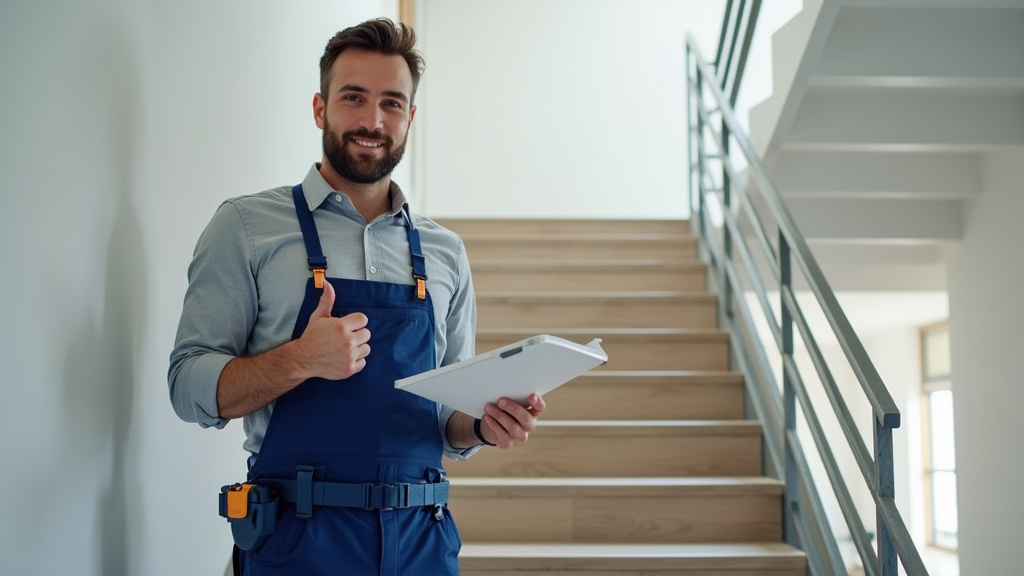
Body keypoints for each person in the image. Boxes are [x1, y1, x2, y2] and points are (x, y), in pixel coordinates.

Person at [168, 17, 545, 575]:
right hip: (296, 541)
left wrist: (485, 424)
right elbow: (187, 386)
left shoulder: (445, 253)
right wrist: (299, 360)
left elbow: (446, 419)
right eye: (353, 98)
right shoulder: (246, 227)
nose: (373, 121)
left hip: (422, 543)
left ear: (410, 119)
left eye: (392, 103)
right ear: (320, 108)